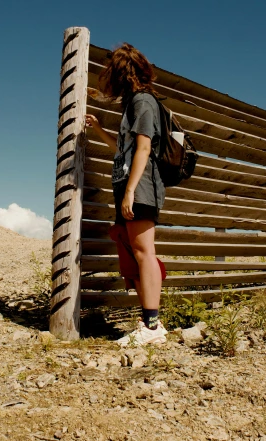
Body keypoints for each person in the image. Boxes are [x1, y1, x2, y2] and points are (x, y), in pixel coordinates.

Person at [85, 43, 167, 346]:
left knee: (144, 252)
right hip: (130, 185)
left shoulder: (143, 101)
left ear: (123, 74)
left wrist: (131, 190)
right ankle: (150, 324)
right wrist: (98, 129)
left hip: (142, 185)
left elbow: (144, 148)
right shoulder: (132, 104)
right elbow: (125, 150)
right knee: (133, 254)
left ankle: (152, 326)